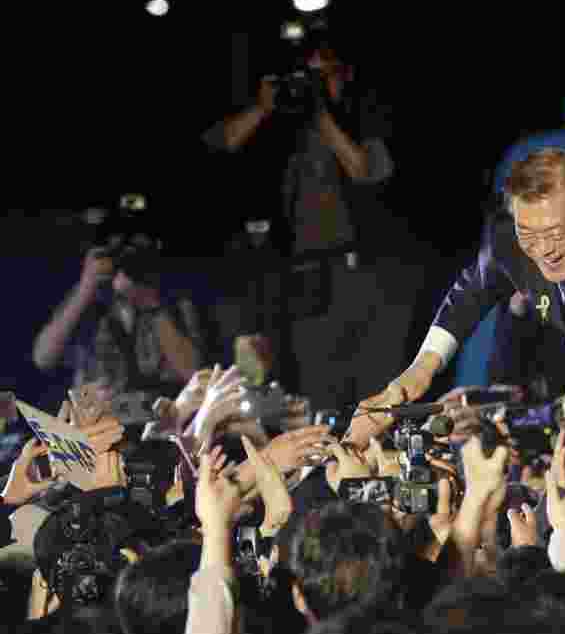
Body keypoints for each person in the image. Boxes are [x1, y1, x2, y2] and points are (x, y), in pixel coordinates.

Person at [347, 148, 565, 446]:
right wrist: (416, 375)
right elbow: (469, 293)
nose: (543, 251)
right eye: (528, 234)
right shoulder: (509, 243)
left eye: (556, 233)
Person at [201, 29, 393, 256]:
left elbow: (365, 171)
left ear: (345, 74)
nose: (315, 85)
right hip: (279, 258)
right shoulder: (281, 112)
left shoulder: (363, 113)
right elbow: (219, 142)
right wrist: (262, 107)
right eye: (307, 76)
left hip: (344, 259)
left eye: (324, 75)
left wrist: (321, 114)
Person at [32, 233, 204, 403]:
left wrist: (149, 303)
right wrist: (86, 287)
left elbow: (193, 375)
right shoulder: (85, 303)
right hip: (97, 420)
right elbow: (43, 358)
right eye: (117, 255)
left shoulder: (174, 305)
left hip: (158, 420)